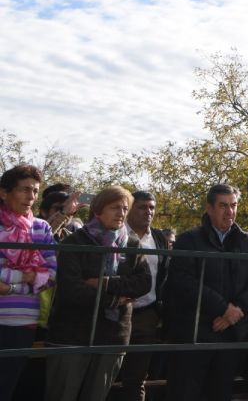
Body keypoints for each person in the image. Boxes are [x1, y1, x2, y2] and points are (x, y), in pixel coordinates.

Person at [164, 183, 248, 401]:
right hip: (194, 332)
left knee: (220, 393)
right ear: (209, 208)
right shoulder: (189, 240)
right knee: (185, 392)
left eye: (233, 205)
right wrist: (223, 308)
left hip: (232, 333)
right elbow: (183, 281)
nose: (229, 211)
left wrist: (237, 310)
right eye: (223, 206)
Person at [45, 185, 151, 401]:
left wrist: (105, 283)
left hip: (113, 336)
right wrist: (114, 300)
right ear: (98, 209)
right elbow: (71, 289)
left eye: (124, 208)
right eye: (114, 207)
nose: (121, 213)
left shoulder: (131, 244)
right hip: (72, 335)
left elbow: (142, 283)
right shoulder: (75, 242)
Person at [0, 164, 57, 401]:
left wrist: (10, 285)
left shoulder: (41, 228)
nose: (31, 197)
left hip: (23, 320)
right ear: (4, 192)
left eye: (35, 191)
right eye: (25, 190)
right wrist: (26, 277)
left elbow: (50, 274)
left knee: (6, 386)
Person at [110, 190, 171, 401]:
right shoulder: (114, 234)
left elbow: (165, 274)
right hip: (114, 312)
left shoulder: (159, 238)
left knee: (136, 377)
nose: (148, 212)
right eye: (142, 207)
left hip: (147, 314)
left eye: (152, 207)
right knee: (105, 373)